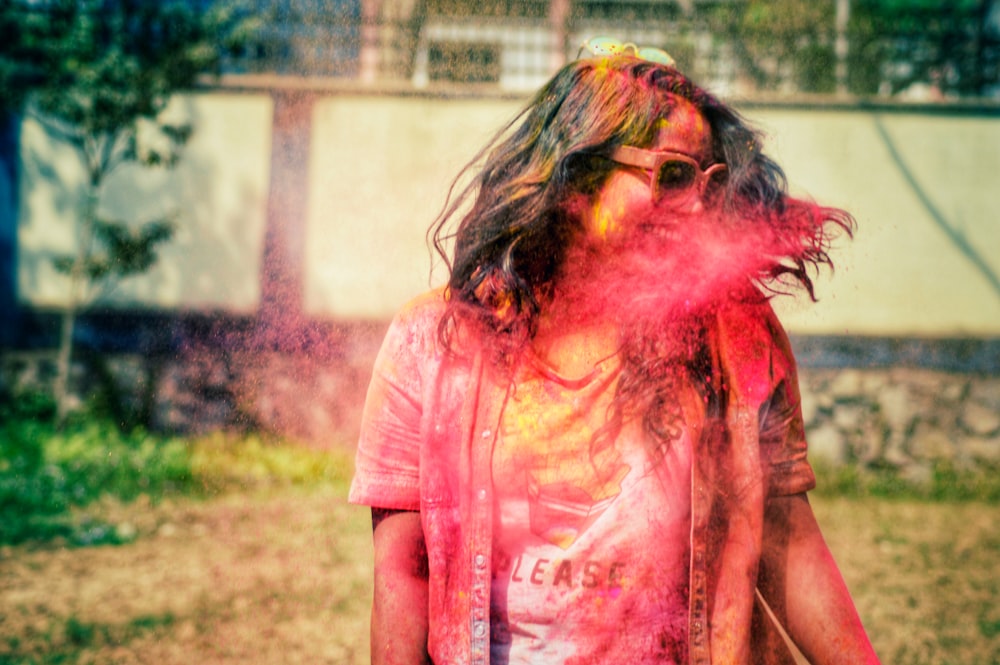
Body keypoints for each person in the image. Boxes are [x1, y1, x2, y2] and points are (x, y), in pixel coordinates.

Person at [350, 38, 880, 665]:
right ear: (577, 179)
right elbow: (404, 574)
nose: (698, 205)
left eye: (710, 181)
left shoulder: (735, 341)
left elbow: (786, 544)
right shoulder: (434, 340)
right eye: (673, 175)